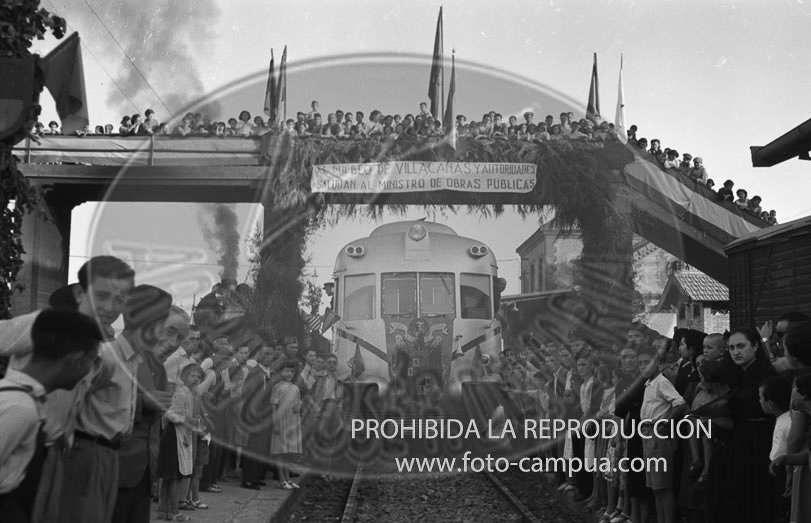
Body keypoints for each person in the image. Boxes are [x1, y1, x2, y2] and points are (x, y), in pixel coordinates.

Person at [0, 310, 103, 523]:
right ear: (75, 360)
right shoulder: (20, 409)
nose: (90, 372)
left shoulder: (22, 400)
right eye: (92, 361)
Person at [112, 287, 178, 523]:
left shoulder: (154, 365)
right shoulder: (110, 355)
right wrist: (142, 402)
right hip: (115, 470)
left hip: (144, 470)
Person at [708, 328, 777, 523]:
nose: (736, 352)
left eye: (741, 346)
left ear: (755, 346)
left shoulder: (764, 375)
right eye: (731, 347)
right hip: (737, 442)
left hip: (758, 441)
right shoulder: (736, 375)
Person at [157, 363, 206, 522]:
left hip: (179, 433)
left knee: (169, 476)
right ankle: (174, 511)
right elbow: (171, 414)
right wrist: (190, 421)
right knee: (175, 476)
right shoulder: (182, 393)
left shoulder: (191, 394)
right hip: (174, 435)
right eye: (193, 375)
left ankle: (163, 510)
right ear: (185, 376)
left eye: (199, 377)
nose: (196, 379)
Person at [240, 346, 276, 490]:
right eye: (265, 354)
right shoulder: (255, 373)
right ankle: (248, 479)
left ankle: (256, 477)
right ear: (259, 356)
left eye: (271, 354)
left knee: (261, 448)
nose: (268, 356)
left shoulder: (267, 372)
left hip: (265, 415)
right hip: (256, 415)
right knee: (253, 448)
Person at [760, 376, 792, 523]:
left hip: (784, 471)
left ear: (770, 404)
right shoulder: (781, 419)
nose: (759, 401)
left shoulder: (787, 423)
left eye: (761, 398)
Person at [271, 360, 303, 489]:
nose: (289, 374)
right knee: (280, 452)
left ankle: (288, 479)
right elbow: (273, 406)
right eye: (286, 371)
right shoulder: (277, 387)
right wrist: (275, 423)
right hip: (281, 419)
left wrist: (300, 405)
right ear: (280, 372)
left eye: (292, 371)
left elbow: (298, 401)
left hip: (292, 421)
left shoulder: (295, 388)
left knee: (288, 452)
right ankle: (281, 479)